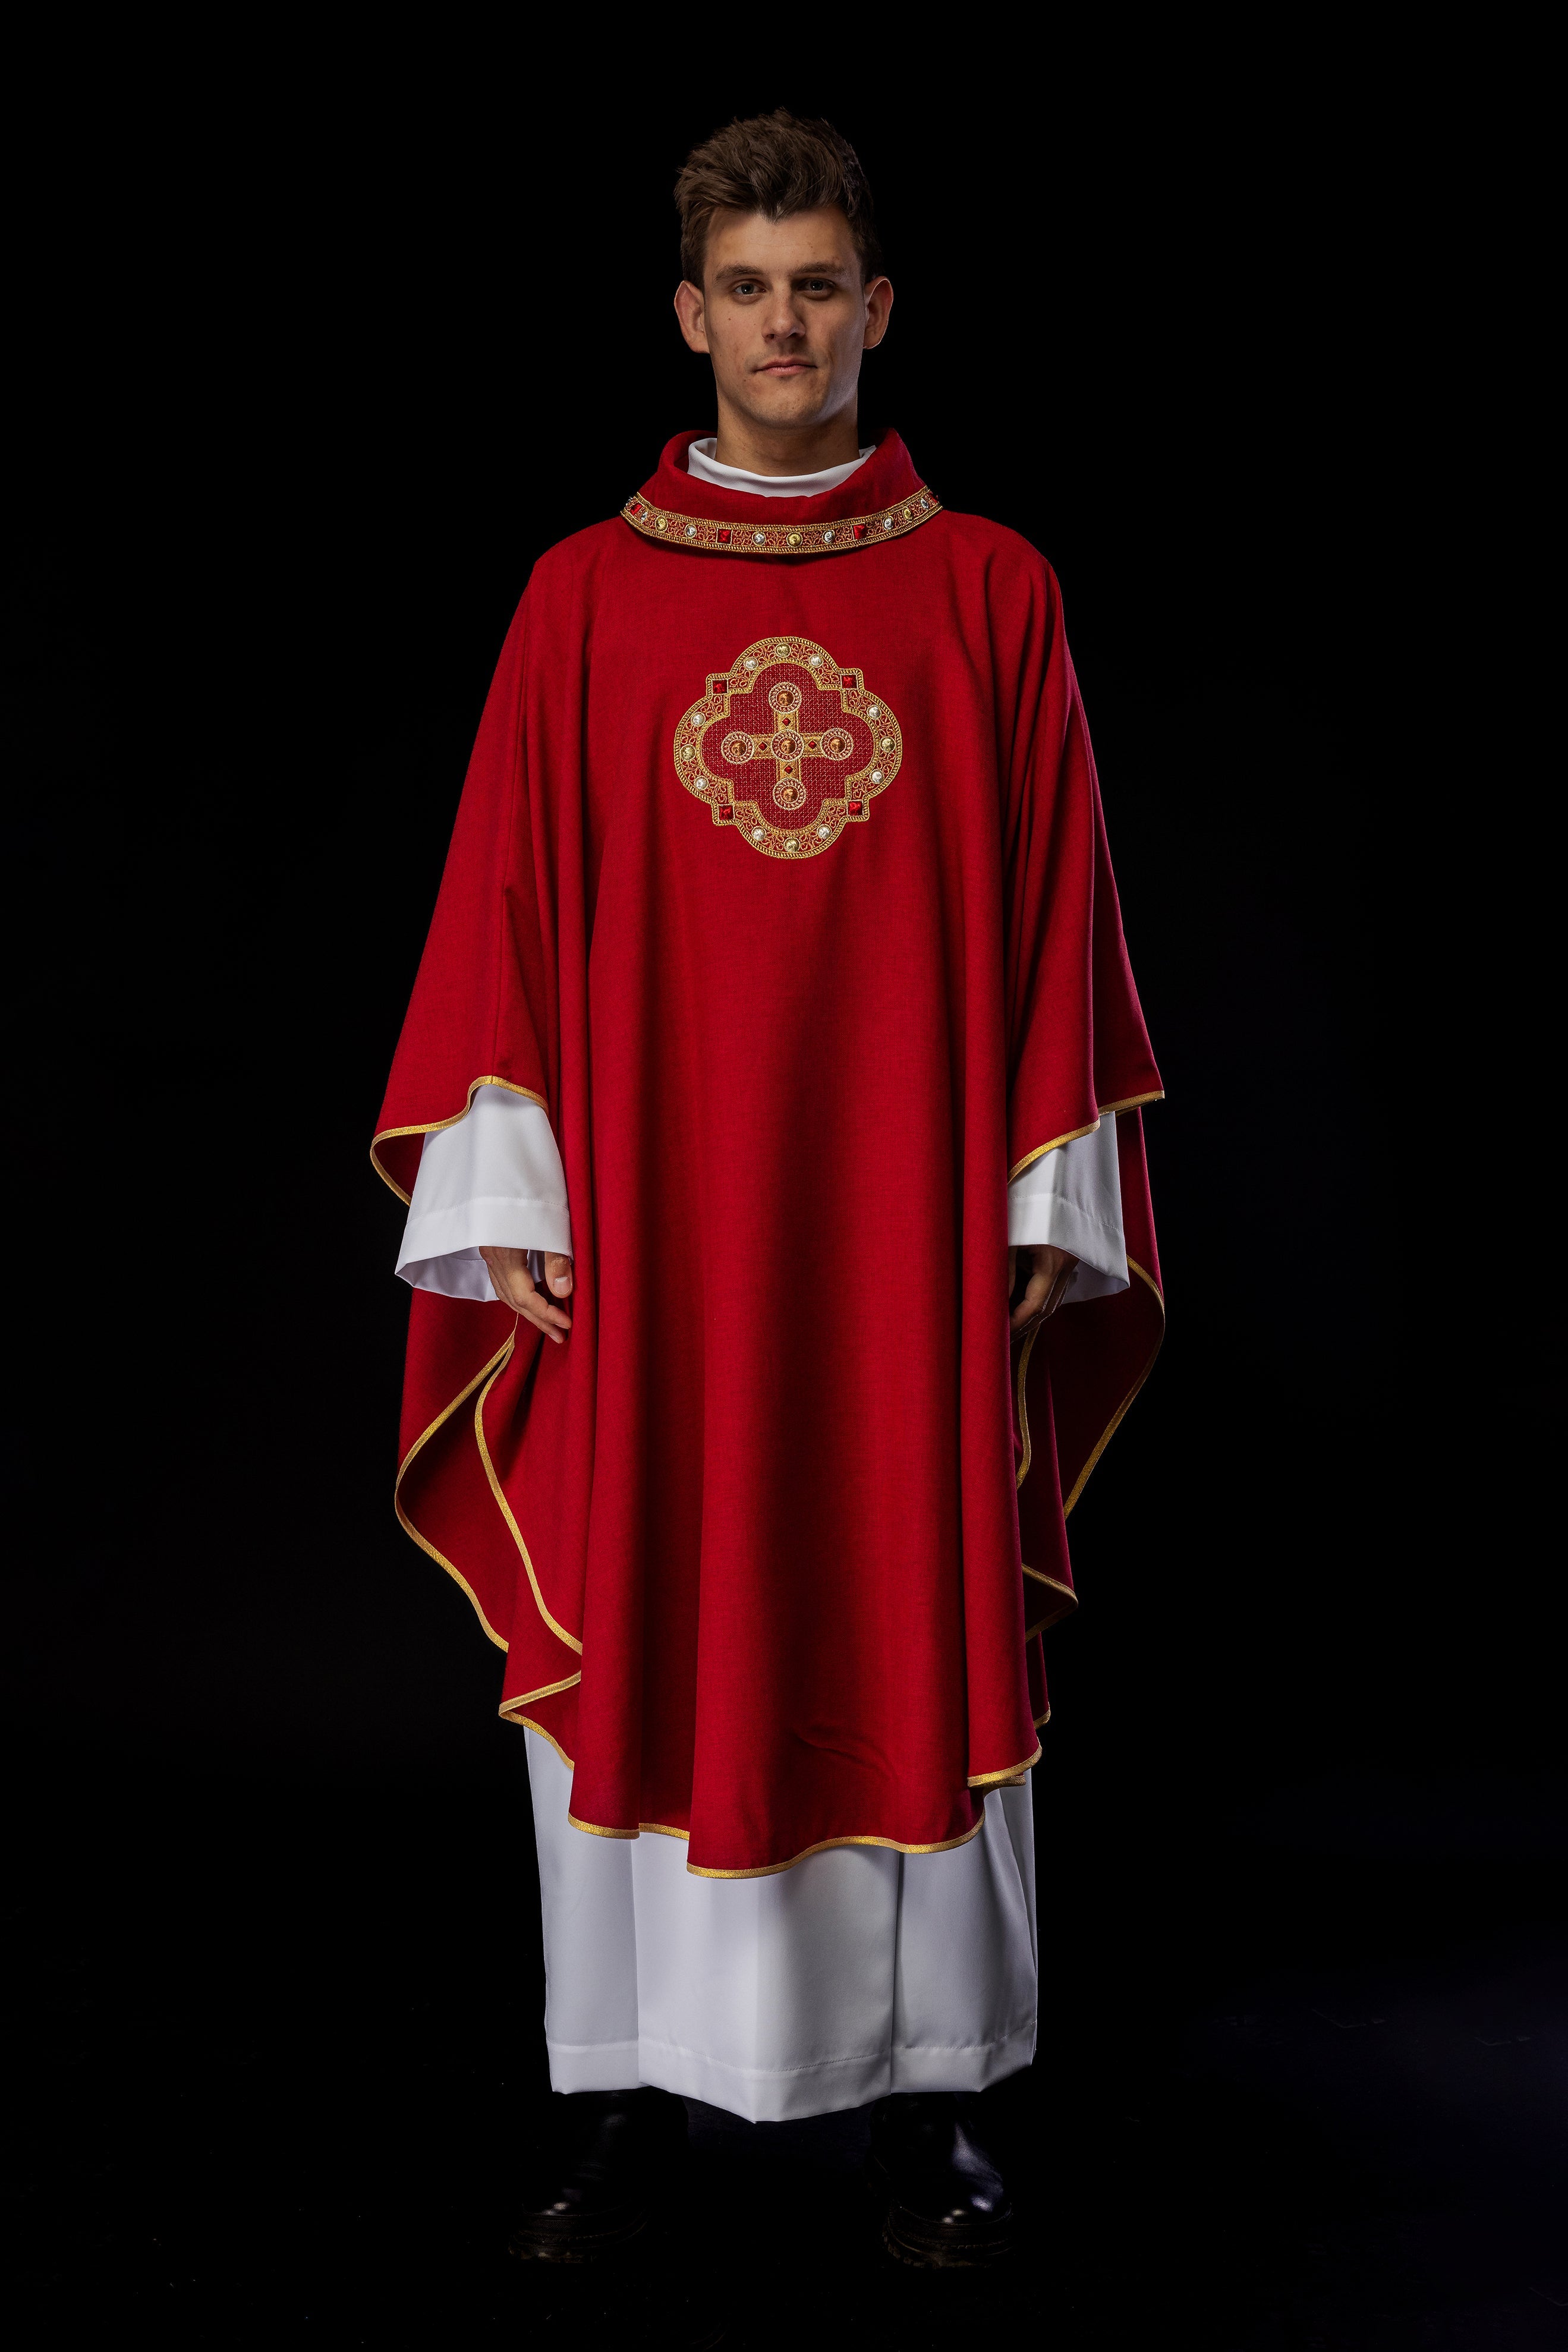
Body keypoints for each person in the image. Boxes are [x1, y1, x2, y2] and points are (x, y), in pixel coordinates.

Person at [372, 108, 1163, 2269]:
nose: (785, 323)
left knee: (907, 1589)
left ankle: (923, 2111)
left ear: (876, 311)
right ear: (689, 317)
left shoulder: (991, 585)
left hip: (901, 1218)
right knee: (647, 1586)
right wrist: (509, 1182)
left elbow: (1058, 917)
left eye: (821, 285)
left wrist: (1038, 1202)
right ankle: (626, 2090)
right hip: (657, 1221)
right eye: (748, 288)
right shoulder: (583, 593)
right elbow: (504, 911)